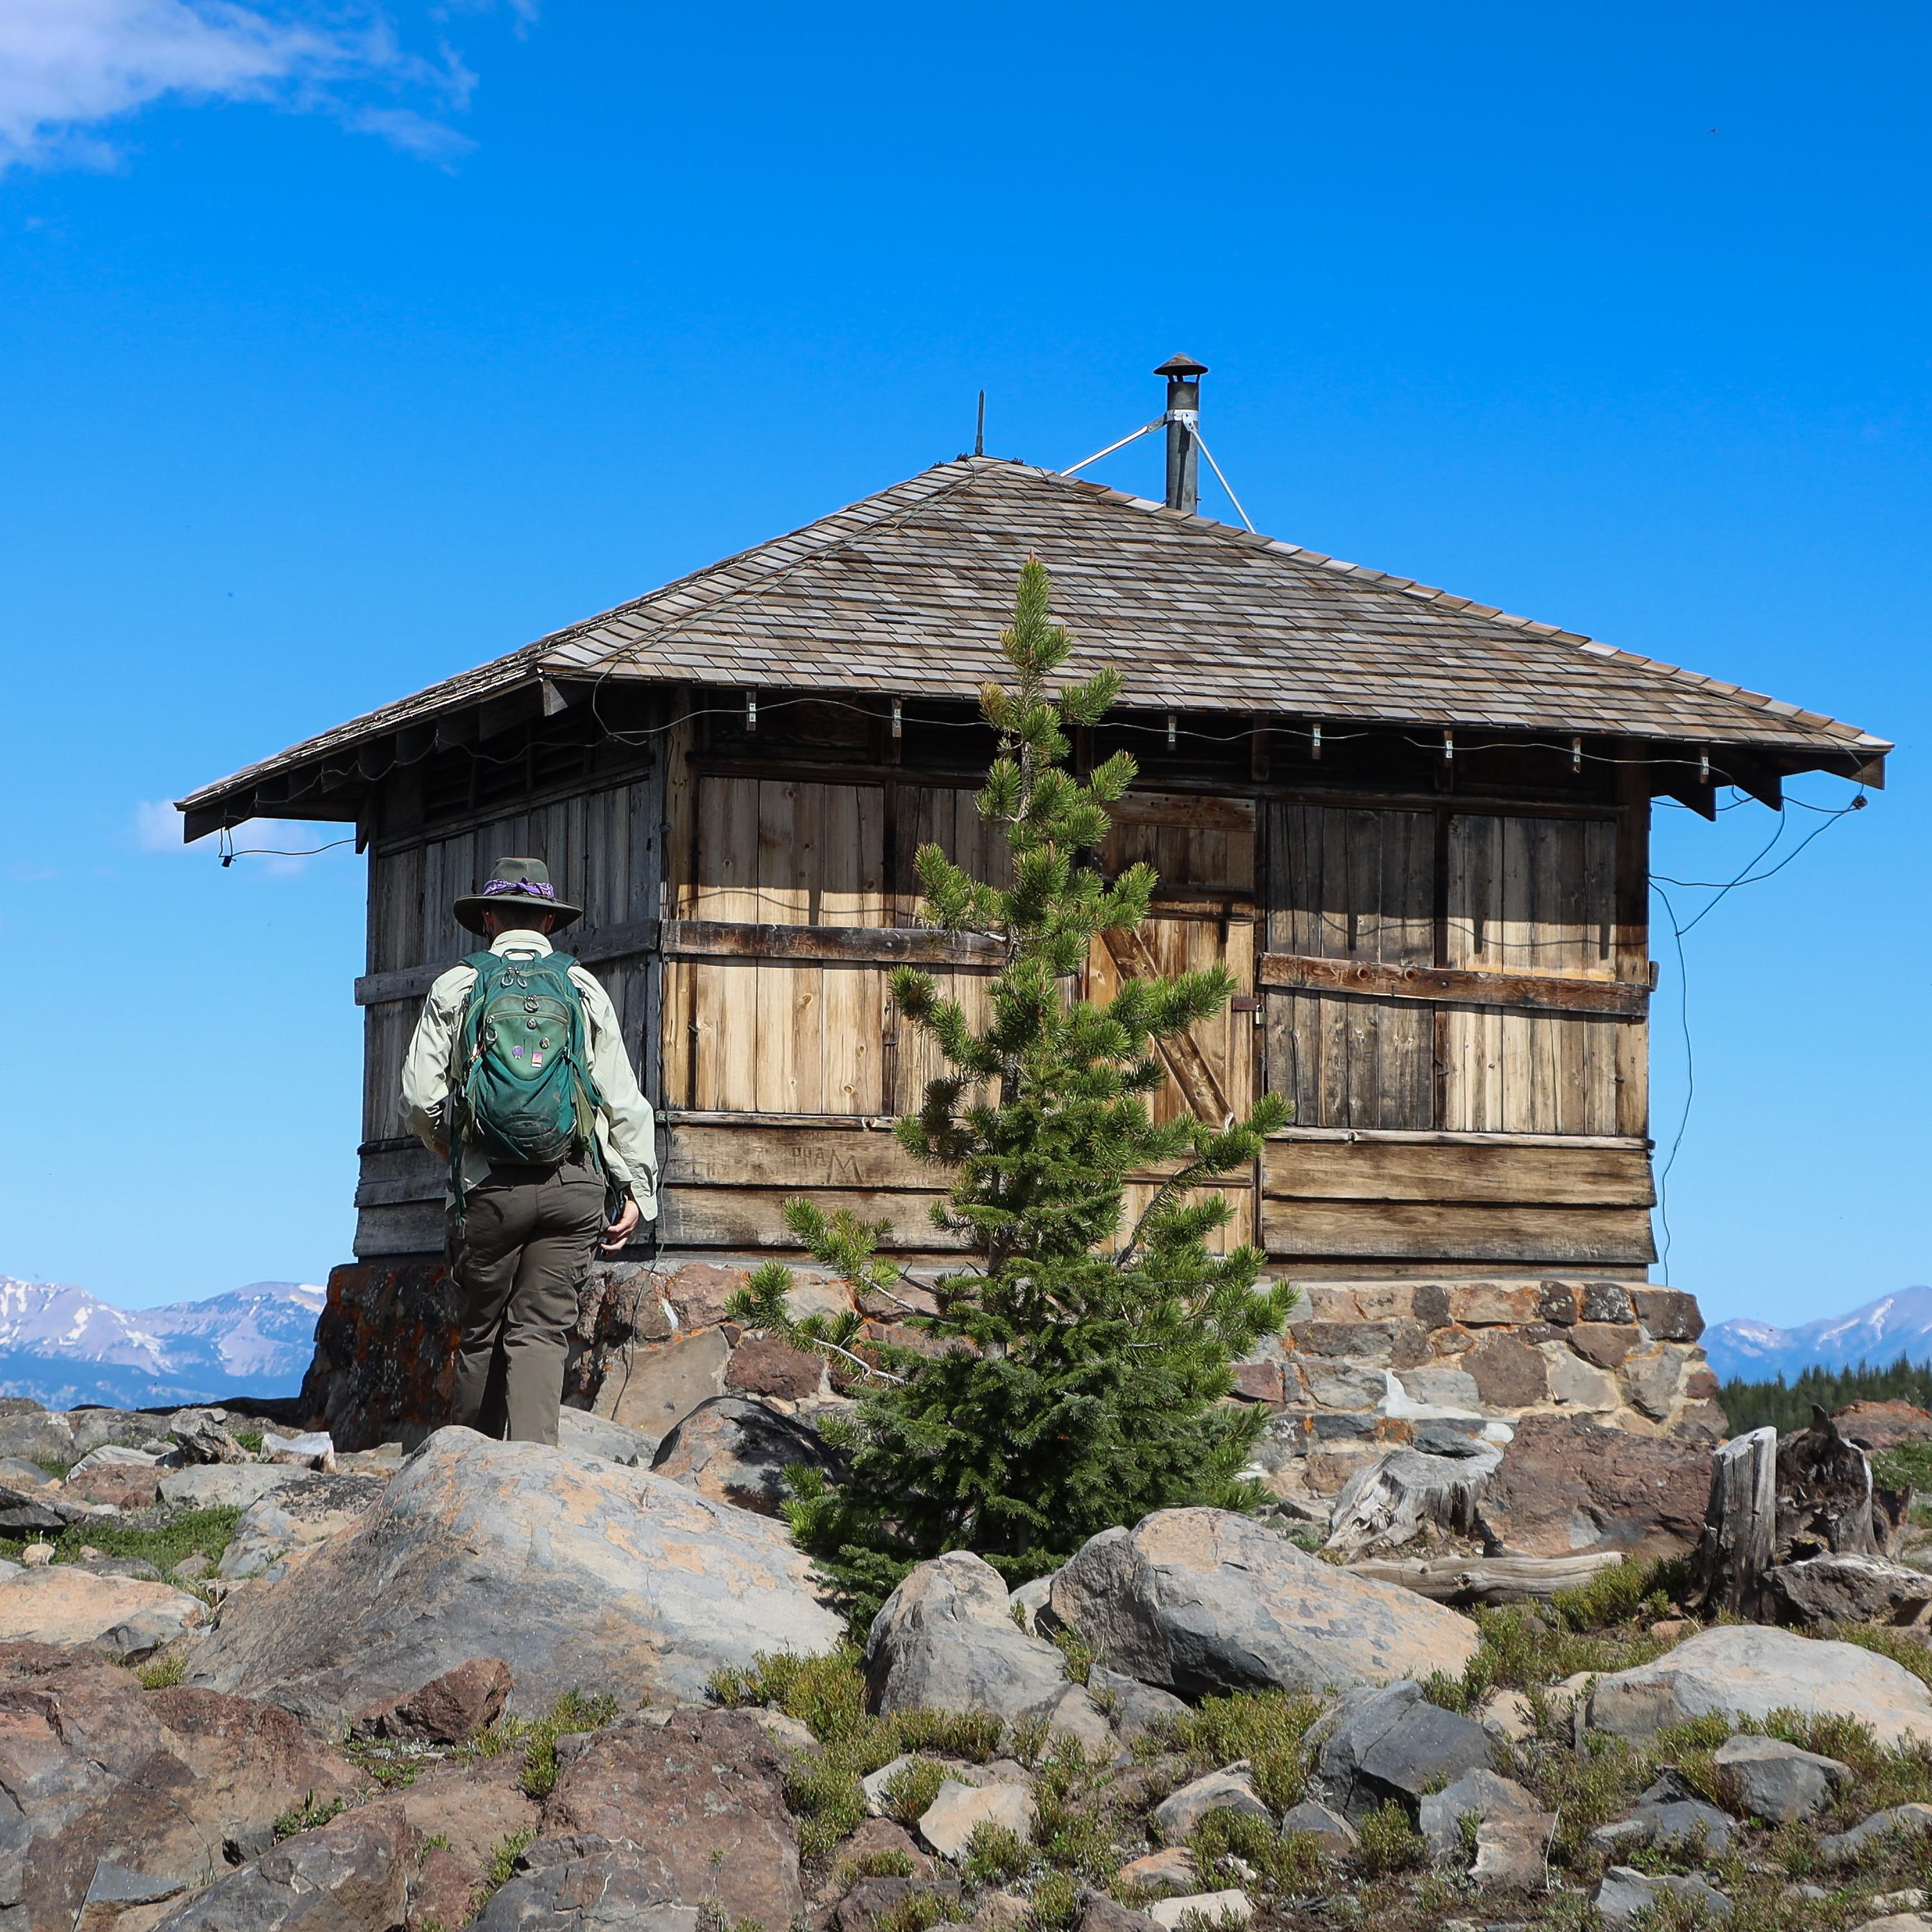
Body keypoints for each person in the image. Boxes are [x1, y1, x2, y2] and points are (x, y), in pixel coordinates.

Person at [401, 856, 658, 1445]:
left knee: (482, 1332)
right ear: (547, 921)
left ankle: (467, 1475)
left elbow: (418, 1095)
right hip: (573, 1186)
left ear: (488, 917)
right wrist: (639, 1189)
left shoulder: (460, 983)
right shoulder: (580, 984)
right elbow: (621, 1096)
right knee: (541, 1332)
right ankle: (533, 1479)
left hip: (487, 1187)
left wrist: (450, 1143)